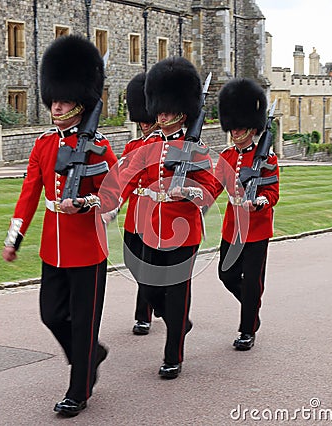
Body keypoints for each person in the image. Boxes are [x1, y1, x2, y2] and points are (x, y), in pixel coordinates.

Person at [2, 35, 120, 417]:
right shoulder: (43, 145)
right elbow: (29, 194)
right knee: (51, 314)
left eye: (64, 100)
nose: (56, 105)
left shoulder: (101, 148)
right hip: (53, 247)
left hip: (87, 248)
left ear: (80, 103)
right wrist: (14, 237)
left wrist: (85, 203)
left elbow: (112, 198)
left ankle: (79, 389)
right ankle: (90, 357)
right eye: (53, 99)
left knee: (84, 323)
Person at [119, 57, 214, 379]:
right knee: (147, 288)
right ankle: (178, 321)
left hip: (183, 231)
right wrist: (108, 203)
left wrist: (189, 193)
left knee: (176, 294)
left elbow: (210, 187)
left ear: (181, 112)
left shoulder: (196, 149)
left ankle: (173, 355)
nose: (161, 115)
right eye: (159, 109)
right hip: (148, 227)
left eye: (167, 110)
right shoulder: (148, 146)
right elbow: (129, 176)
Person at [213, 77, 279, 351]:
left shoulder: (267, 159)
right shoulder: (228, 156)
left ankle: (246, 329)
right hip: (233, 228)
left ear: (252, 129)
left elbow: (273, 193)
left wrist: (260, 202)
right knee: (226, 274)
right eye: (234, 128)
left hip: (257, 229)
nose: (236, 132)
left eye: (241, 128)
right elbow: (213, 186)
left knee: (252, 282)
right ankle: (252, 310)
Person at [120, 72, 157, 335]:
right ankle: (158, 297)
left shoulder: (165, 145)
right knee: (132, 262)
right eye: (141, 120)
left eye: (148, 119)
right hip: (134, 213)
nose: (144, 124)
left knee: (145, 267)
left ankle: (143, 315)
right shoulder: (132, 145)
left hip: (154, 214)